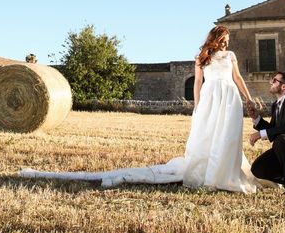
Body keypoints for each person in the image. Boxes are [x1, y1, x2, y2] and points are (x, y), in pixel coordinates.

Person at [20, 25, 260, 193]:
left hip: (229, 96)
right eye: (224, 38)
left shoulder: (231, 56)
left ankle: (225, 173)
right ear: (215, 37)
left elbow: (238, 78)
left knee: (227, 135)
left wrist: (248, 98)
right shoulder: (201, 57)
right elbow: (197, 83)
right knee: (207, 134)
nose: (227, 42)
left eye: (228, 40)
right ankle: (207, 174)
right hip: (210, 98)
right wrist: (197, 106)